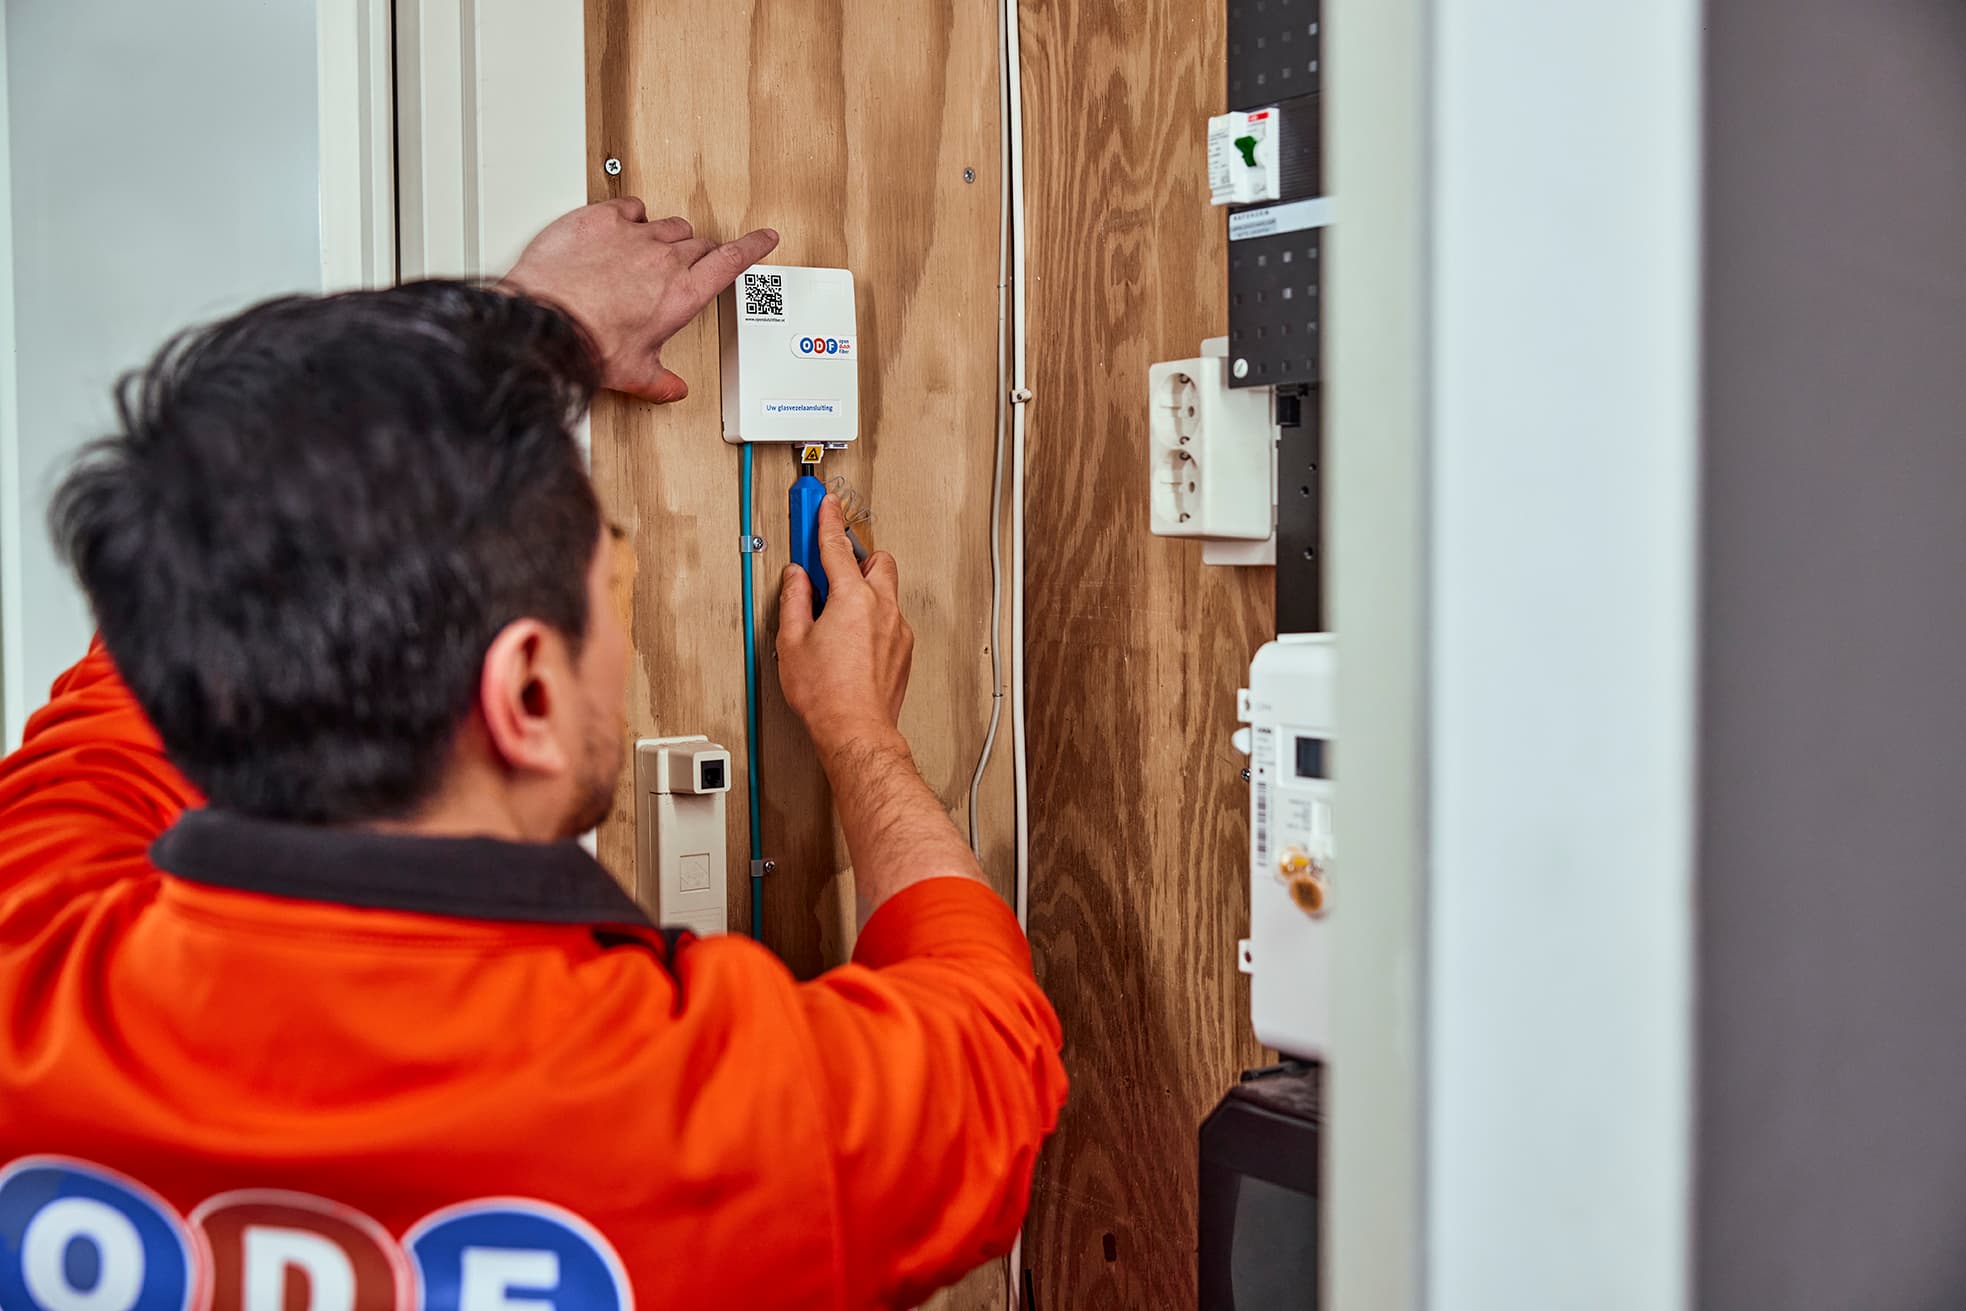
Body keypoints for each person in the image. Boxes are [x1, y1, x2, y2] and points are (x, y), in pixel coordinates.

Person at [0, 198, 1067, 1311]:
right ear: (524, 693)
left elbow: (220, 593)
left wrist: (520, 336)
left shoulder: (25, 946)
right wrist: (858, 732)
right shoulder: (734, 1120)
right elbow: (988, 1035)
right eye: (613, 586)